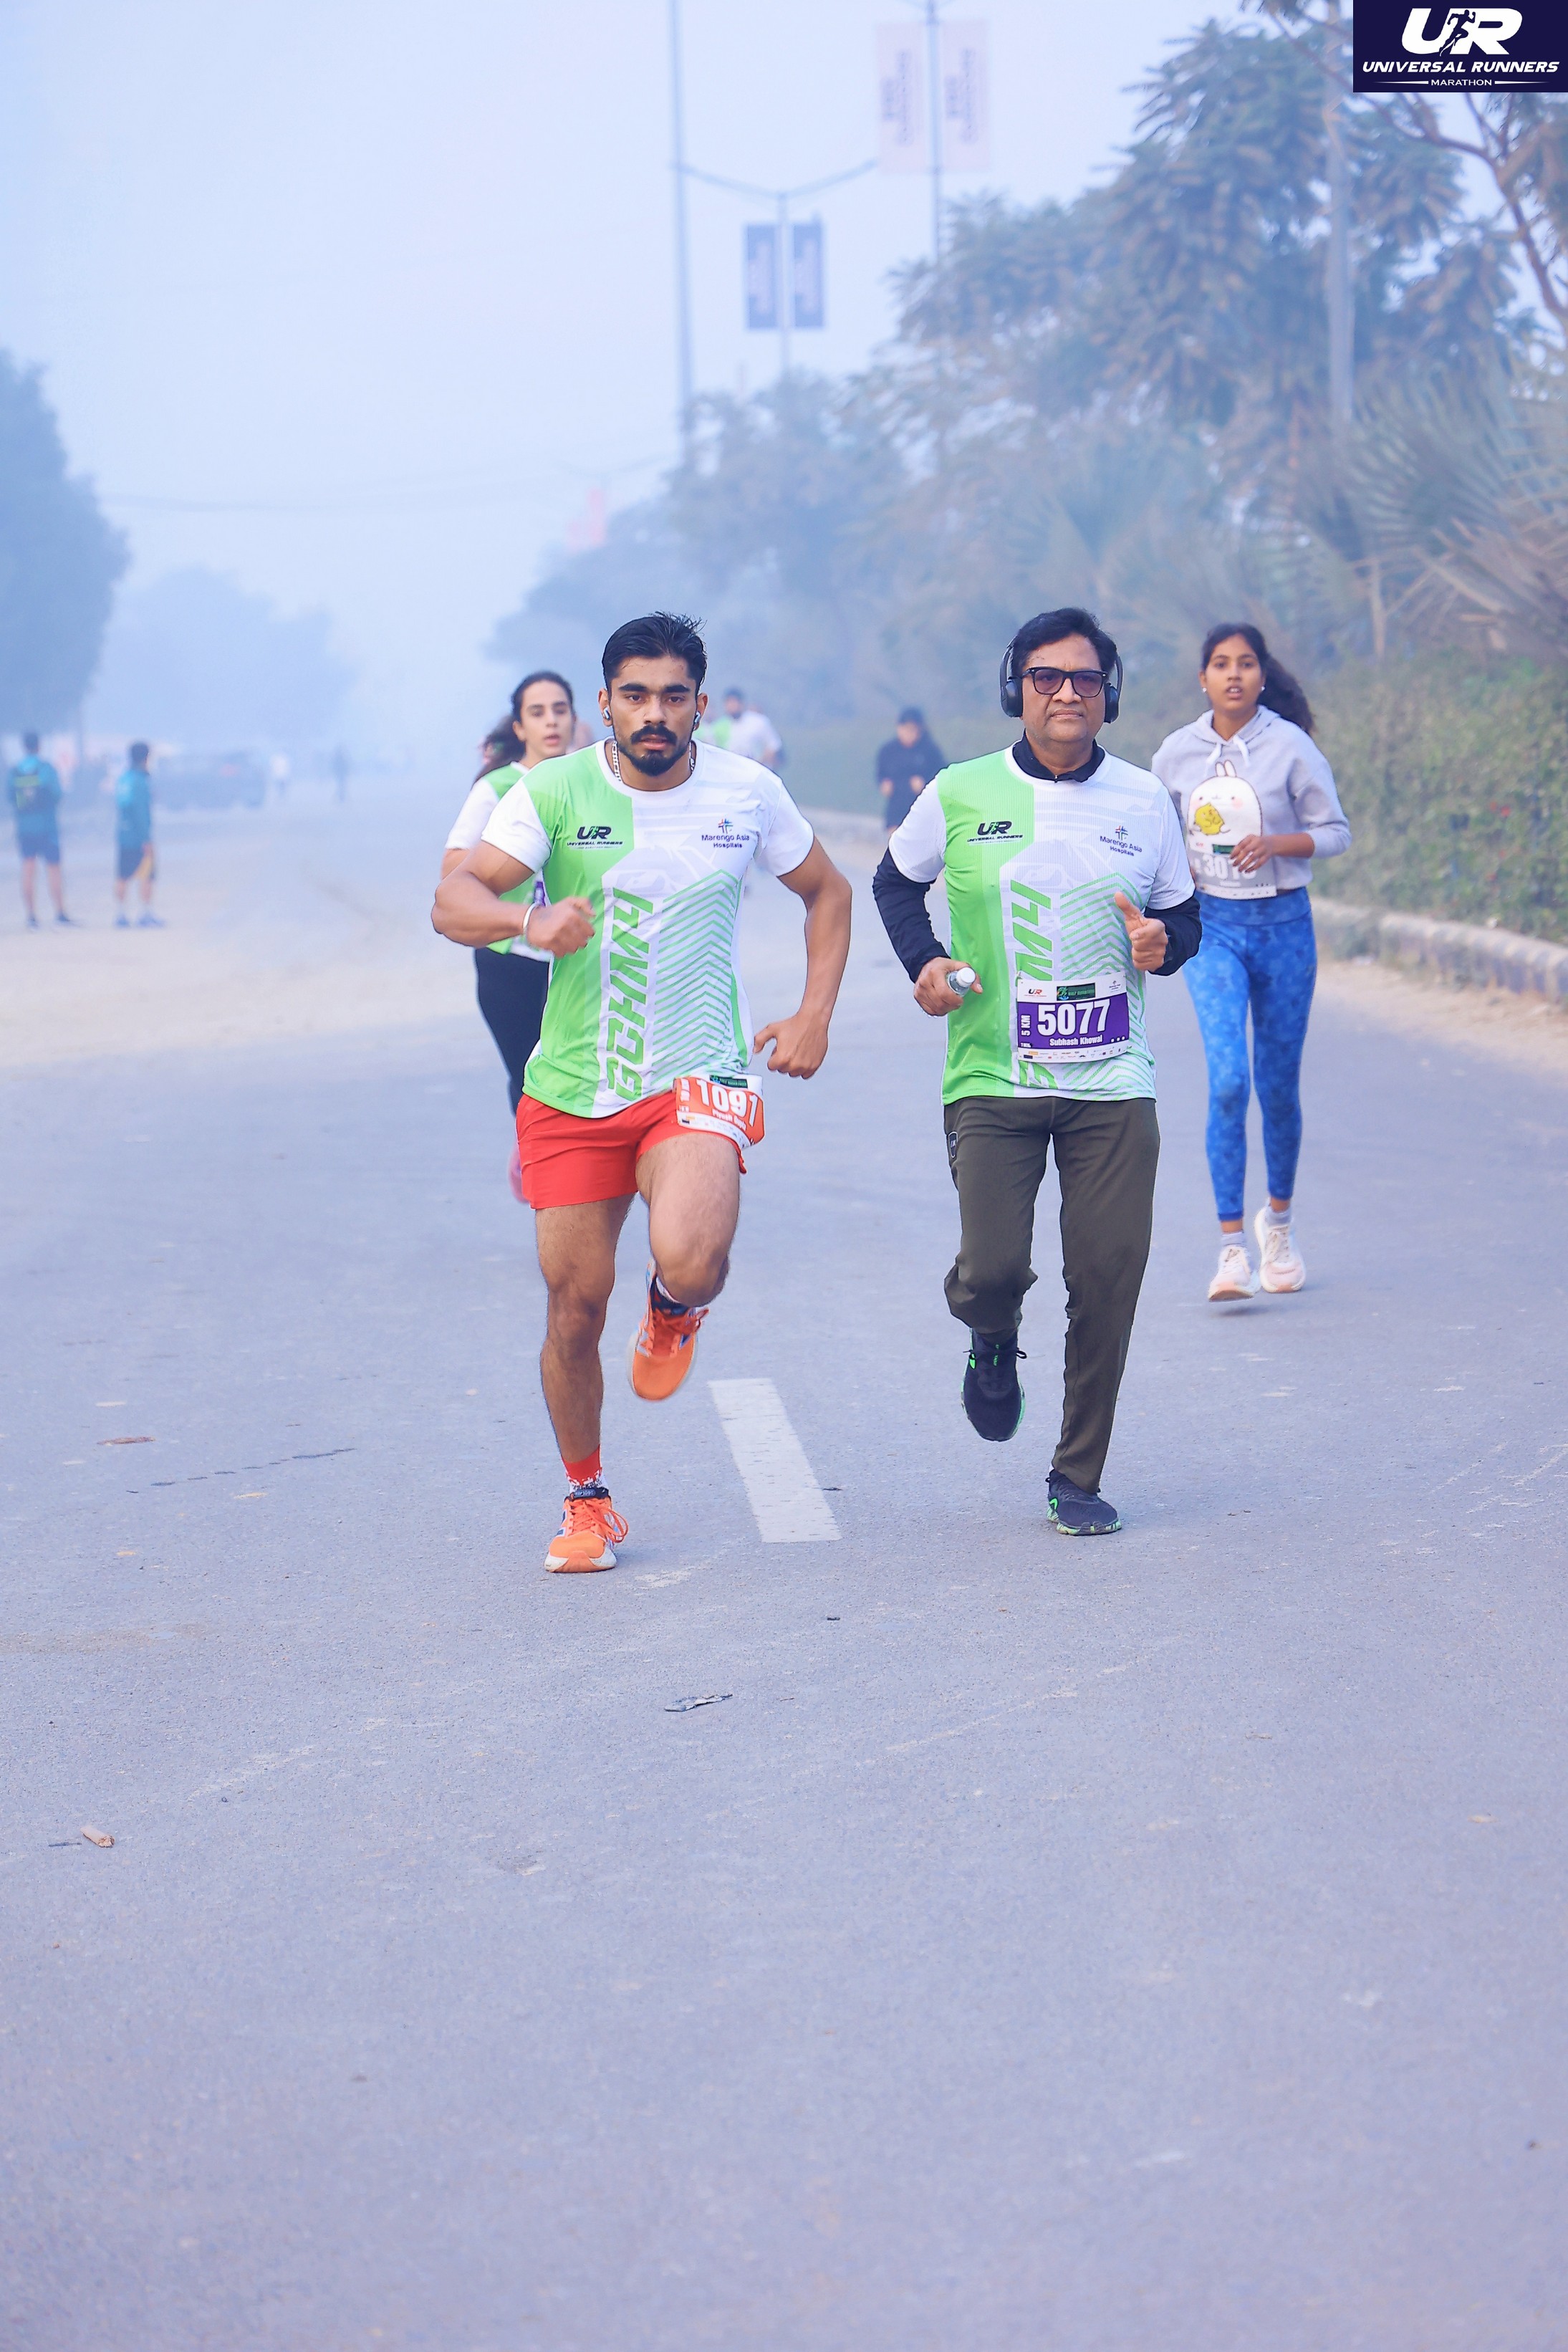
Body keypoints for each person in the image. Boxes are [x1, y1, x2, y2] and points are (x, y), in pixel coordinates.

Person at [433, 612, 852, 1575]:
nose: (654, 713)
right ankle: (586, 1498)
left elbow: (827, 891)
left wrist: (814, 1012)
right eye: (635, 695)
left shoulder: (747, 790)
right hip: (573, 1086)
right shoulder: (551, 789)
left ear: (700, 704)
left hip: (695, 1072)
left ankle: (674, 1306)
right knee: (574, 1308)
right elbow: (454, 899)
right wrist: (527, 921)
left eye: (672, 696)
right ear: (606, 703)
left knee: (694, 1259)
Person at [872, 606, 1201, 1537]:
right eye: (1045, 677)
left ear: (1109, 694)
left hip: (1111, 1082)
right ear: (1014, 687)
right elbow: (895, 881)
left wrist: (1163, 942)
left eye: (1085, 678)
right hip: (992, 1077)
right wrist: (925, 963)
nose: (1065, 693)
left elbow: (1183, 918)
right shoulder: (959, 791)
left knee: (1107, 1276)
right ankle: (991, 1333)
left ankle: (1076, 1473)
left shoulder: (1144, 799)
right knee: (990, 1270)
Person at [1152, 623, 1351, 1303]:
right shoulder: (1176, 754)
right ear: (1202, 678)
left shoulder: (1290, 747)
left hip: (1284, 927)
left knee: (1276, 1085)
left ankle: (1280, 1226)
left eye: (1245, 663)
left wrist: (1276, 843)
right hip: (1212, 929)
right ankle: (1231, 1248)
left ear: (1262, 676)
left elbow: (1335, 832)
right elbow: (1152, 836)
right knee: (1229, 1082)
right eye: (1220, 663)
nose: (1233, 674)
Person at [441, 671, 579, 1200]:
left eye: (559, 709)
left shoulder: (588, 781)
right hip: (509, 961)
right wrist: (522, 896)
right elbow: (452, 872)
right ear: (519, 727)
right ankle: (541, 1174)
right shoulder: (497, 788)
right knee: (530, 1081)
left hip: (574, 959)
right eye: (538, 712)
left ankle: (567, 1172)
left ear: (575, 717)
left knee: (577, 1076)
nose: (551, 721)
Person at [7, 732, 72, 927]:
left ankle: (31, 916)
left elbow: (10, 798)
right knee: (53, 869)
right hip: (47, 827)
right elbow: (57, 795)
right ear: (39, 745)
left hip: (25, 828)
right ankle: (59, 913)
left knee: (28, 868)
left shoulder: (15, 771)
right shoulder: (46, 769)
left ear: (24, 746)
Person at [112, 742, 160, 927]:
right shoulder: (141, 781)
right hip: (139, 837)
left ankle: (121, 914)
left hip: (123, 835)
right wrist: (146, 839)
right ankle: (145, 913)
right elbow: (140, 813)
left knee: (122, 875)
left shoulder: (123, 779)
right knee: (147, 874)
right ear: (146, 758)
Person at [877, 706, 946, 830]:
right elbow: (881, 773)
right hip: (896, 806)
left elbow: (942, 774)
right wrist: (884, 783)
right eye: (906, 729)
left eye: (913, 730)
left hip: (923, 807)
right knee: (895, 837)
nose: (909, 734)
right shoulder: (888, 751)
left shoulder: (930, 751)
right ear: (899, 728)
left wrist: (925, 783)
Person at [716, 688, 781, 771]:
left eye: (733, 702)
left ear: (741, 703)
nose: (731, 706)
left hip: (759, 771)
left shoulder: (758, 721)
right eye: (728, 702)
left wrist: (758, 762)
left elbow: (773, 745)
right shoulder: (721, 726)